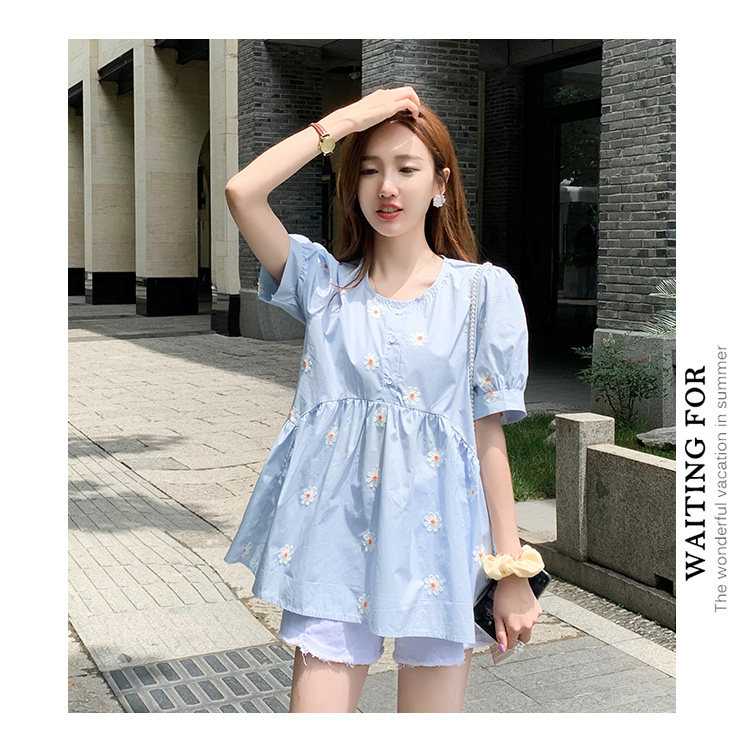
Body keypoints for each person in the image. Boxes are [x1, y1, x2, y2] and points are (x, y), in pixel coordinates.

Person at [223, 86, 543, 713]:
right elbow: (243, 192)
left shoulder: (481, 292)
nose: (387, 187)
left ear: (440, 183)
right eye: (369, 170)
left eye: (406, 168)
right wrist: (347, 121)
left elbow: (488, 436)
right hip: (332, 535)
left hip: (440, 539)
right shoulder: (323, 283)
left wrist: (511, 573)